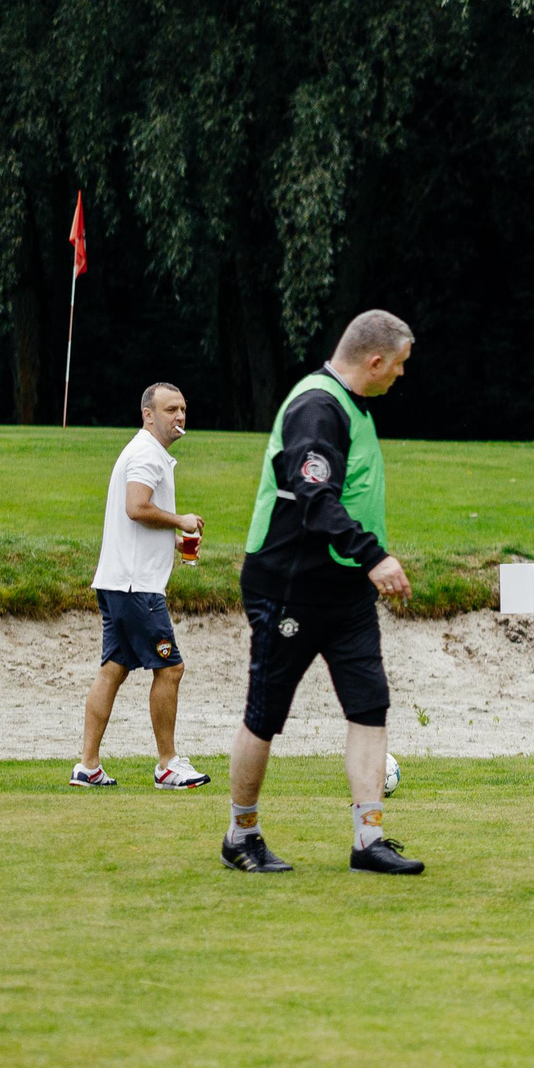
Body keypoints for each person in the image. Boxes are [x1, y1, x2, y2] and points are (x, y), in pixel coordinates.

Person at [219, 310, 424, 875]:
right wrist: (374, 556)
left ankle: (369, 841)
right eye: (399, 366)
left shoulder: (351, 406)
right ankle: (241, 835)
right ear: (376, 361)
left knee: (369, 704)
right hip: (289, 585)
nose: (401, 376)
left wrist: (361, 565)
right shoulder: (318, 407)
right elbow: (313, 497)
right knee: (266, 713)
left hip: (343, 590)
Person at [72, 383, 210, 790]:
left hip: (118, 581)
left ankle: (88, 766)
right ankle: (167, 764)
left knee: (113, 669)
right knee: (170, 668)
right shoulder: (147, 454)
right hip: (136, 586)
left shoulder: (146, 452)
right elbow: (137, 507)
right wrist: (180, 520)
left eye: (183, 409)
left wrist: (174, 537)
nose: (180, 416)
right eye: (170, 409)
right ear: (148, 414)